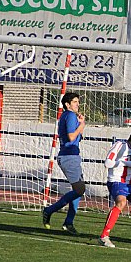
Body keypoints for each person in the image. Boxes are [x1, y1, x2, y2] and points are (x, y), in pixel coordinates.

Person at [42, 92, 86, 234]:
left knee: (78, 190)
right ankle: (49, 210)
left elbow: (74, 137)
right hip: (69, 157)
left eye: (78, 101)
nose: (77, 104)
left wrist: (79, 127)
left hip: (71, 156)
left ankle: (69, 222)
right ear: (67, 104)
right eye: (74, 102)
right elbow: (72, 136)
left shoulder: (67, 117)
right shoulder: (70, 115)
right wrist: (82, 125)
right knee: (79, 190)